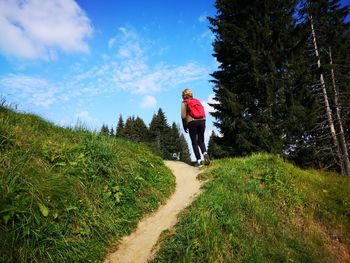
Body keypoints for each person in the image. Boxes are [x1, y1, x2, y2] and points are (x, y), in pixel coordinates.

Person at [181, 88, 210, 167]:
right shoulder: (197, 101)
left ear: (185, 95)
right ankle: (205, 153)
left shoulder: (184, 102)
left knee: (194, 142)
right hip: (202, 121)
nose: (182, 97)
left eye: (182, 95)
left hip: (192, 122)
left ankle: (199, 161)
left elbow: (183, 117)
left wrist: (185, 126)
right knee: (201, 141)